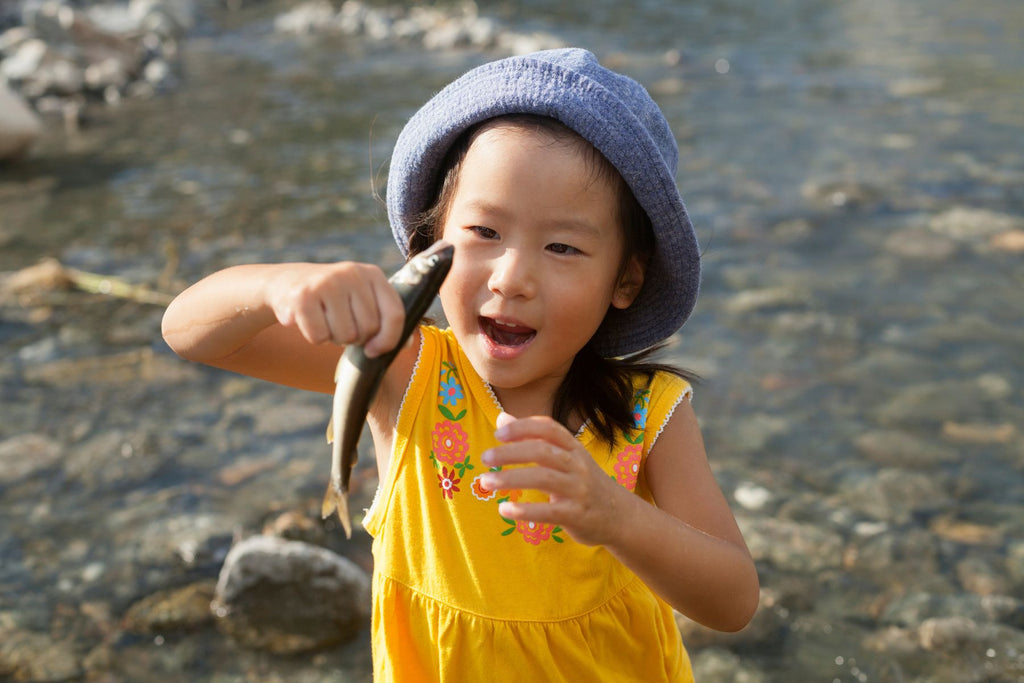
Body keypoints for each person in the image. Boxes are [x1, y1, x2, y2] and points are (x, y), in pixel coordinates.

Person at [162, 48, 759, 682]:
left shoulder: (649, 415)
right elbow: (189, 333)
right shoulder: (404, 371)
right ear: (431, 242)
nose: (513, 278)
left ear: (626, 279)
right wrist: (277, 287)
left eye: (563, 246)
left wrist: (617, 516)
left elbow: (733, 600)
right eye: (484, 232)